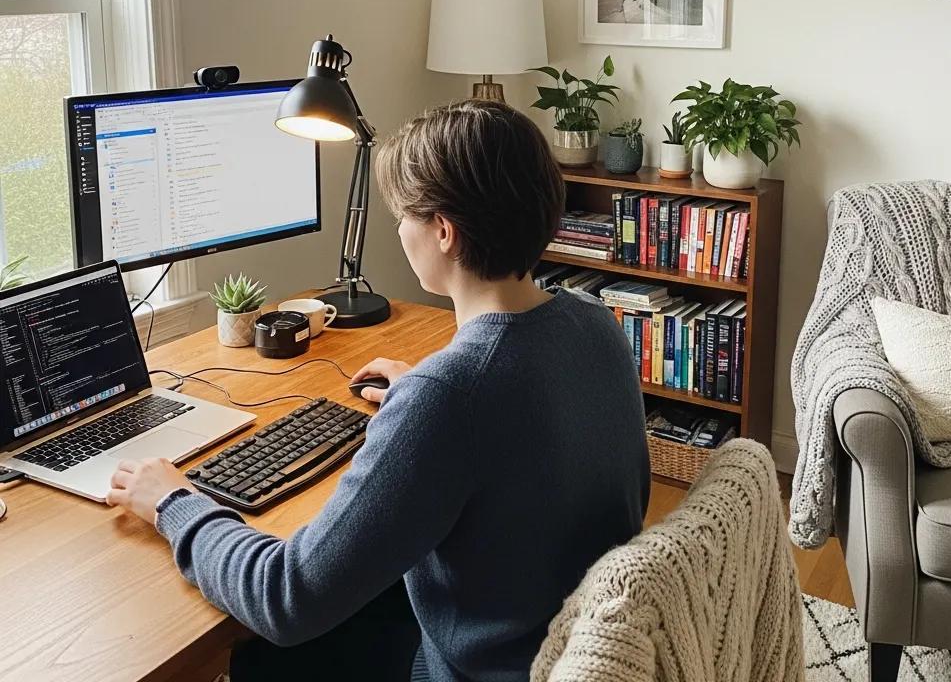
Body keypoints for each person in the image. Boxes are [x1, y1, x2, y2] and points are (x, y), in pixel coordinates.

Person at [107, 99, 650, 682]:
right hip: (554, 635)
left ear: (443, 231)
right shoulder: (594, 323)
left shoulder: (449, 396)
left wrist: (173, 503)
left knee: (261, 654)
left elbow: (285, 597)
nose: (398, 231)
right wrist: (421, 394)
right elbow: (524, 430)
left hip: (475, 669)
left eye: (403, 217)